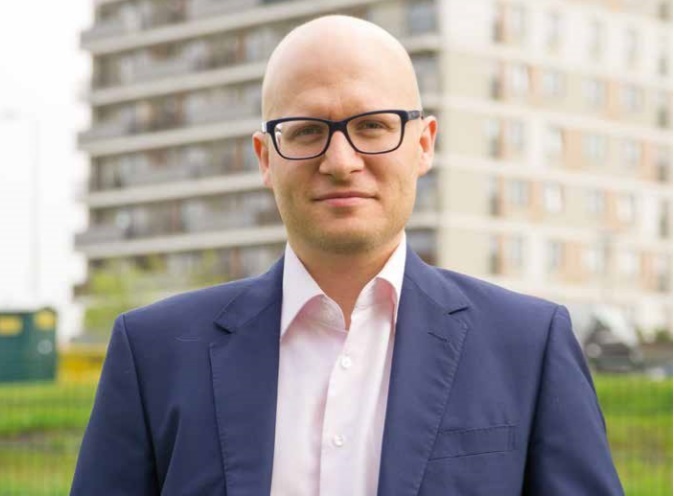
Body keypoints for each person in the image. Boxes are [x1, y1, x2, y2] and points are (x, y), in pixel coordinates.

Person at [71, 15, 624, 496]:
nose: (340, 161)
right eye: (306, 131)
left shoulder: (528, 347)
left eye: (372, 126)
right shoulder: (153, 355)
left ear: (423, 144)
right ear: (265, 158)